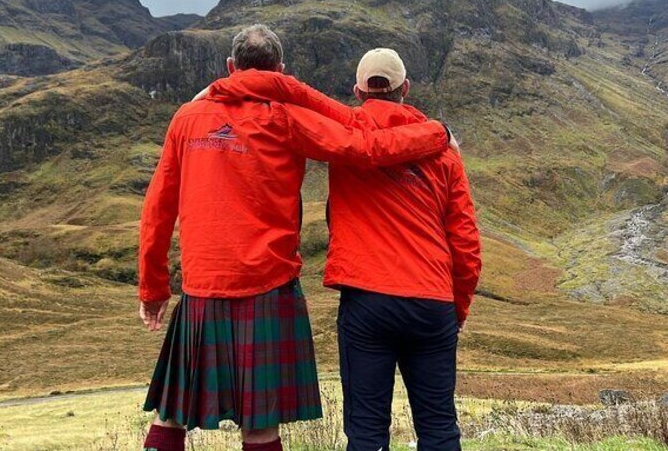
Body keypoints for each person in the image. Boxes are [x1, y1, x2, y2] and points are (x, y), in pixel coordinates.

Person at [138, 26, 456, 451]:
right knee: (260, 421)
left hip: (202, 286)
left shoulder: (186, 118)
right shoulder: (286, 118)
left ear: (231, 67)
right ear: (282, 71)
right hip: (268, 284)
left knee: (172, 414)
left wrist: (153, 287)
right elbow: (364, 147)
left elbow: (157, 208)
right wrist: (438, 134)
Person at [205, 47, 482, 451]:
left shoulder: (345, 130)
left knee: (367, 431)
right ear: (406, 89)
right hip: (431, 300)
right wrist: (456, 308)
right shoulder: (445, 154)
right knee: (439, 427)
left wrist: (216, 91)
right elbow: (465, 240)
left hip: (367, 299)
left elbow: (290, 92)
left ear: (357, 91)